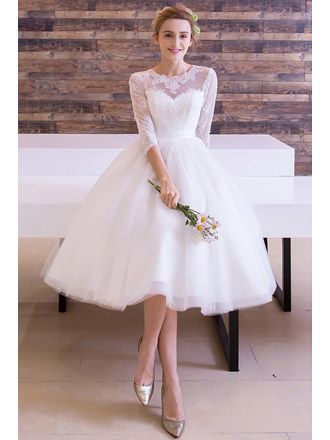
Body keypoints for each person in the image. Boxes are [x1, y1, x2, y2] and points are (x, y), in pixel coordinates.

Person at [40, 3, 277, 438]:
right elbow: (147, 134)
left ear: (192, 39)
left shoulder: (206, 77)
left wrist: (199, 184)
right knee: (160, 264)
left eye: (183, 36)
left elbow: (201, 135)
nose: (176, 43)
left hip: (195, 169)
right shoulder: (140, 80)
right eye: (168, 35)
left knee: (166, 267)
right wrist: (166, 180)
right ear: (156, 38)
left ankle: (148, 351)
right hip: (150, 172)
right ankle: (172, 383)